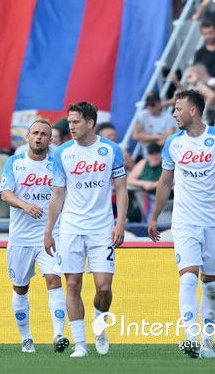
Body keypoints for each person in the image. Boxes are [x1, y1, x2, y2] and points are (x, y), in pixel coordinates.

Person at [148, 90, 215, 359]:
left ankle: (207, 344)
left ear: (193, 111)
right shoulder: (173, 143)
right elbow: (165, 182)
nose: (174, 113)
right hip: (184, 220)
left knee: (210, 284)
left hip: (213, 220)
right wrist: (154, 216)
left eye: (178, 109)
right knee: (188, 277)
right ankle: (190, 338)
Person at [43, 101, 128, 358]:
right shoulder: (62, 153)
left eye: (76, 121)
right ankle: (80, 344)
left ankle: (99, 327)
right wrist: (49, 230)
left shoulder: (110, 150)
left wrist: (120, 222)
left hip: (102, 228)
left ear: (90, 123)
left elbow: (121, 188)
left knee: (104, 288)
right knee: (72, 284)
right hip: (71, 227)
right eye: (69, 122)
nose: (71, 126)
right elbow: (58, 193)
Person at [0, 120, 70, 354]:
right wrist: (25, 205)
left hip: (50, 234)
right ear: (28, 137)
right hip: (20, 237)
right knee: (20, 287)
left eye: (44, 134)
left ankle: (58, 334)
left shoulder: (57, 165)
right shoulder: (15, 162)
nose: (39, 137)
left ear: (51, 140)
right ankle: (26, 338)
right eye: (35, 133)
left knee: (54, 280)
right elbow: (5, 194)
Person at [132, 91, 177, 155]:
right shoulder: (142, 115)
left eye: (152, 104)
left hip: (164, 153)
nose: (149, 107)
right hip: (148, 154)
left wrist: (144, 137)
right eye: (147, 105)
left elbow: (166, 140)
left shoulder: (169, 117)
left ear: (159, 104)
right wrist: (157, 137)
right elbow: (135, 136)